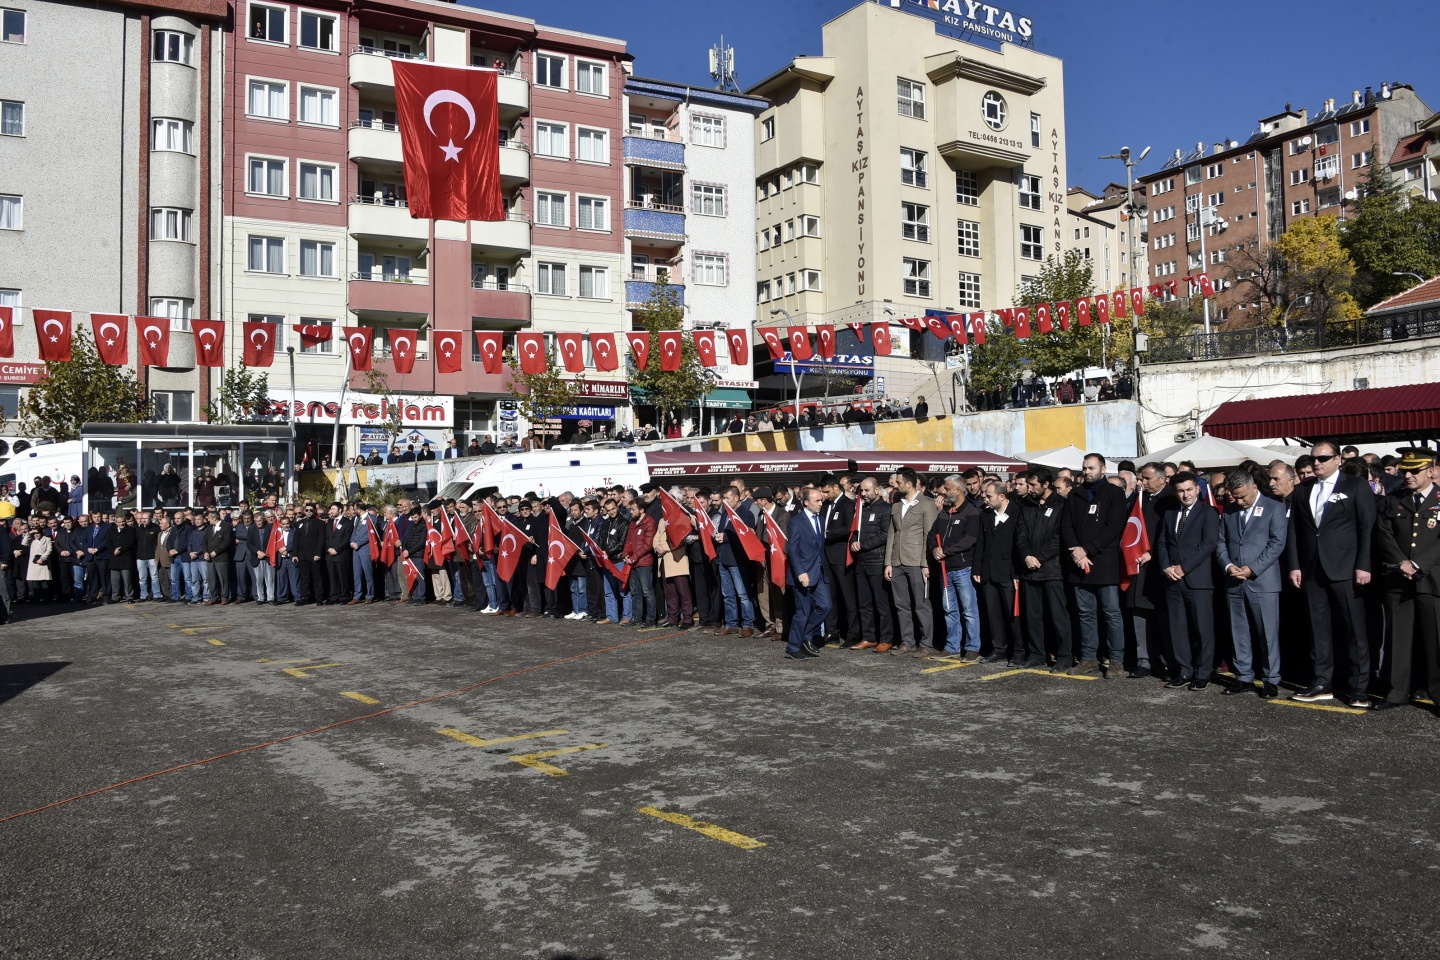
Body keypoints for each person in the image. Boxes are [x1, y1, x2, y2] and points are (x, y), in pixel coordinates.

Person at [1284, 438, 1376, 707]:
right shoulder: (1303, 490)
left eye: (1323, 458)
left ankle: (1359, 686)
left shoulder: (1355, 486)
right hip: (1312, 568)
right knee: (1318, 628)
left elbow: (1366, 527)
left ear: (1338, 460)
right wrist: (1295, 564)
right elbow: (1295, 531)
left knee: (1353, 629)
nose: (1317, 463)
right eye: (1314, 458)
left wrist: (1364, 564)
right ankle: (1322, 680)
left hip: (1346, 568)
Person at [1374, 448, 1440, 712]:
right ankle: (1397, 691)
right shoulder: (1394, 499)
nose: (1409, 476)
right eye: (1405, 471)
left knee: (1435, 640)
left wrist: (1416, 563)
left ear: (1430, 471)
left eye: (1415, 471)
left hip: (1430, 578)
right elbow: (1383, 534)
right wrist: (1401, 561)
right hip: (1399, 578)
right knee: (1398, 638)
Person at [1216, 469, 1288, 699]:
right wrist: (1227, 566)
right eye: (1235, 496)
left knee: (1267, 633)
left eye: (1242, 496)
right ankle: (1243, 676)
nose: (1239, 501)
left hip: (1262, 580)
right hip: (1234, 579)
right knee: (1238, 632)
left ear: (1254, 487)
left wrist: (1253, 568)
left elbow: (1277, 544)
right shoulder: (1228, 511)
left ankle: (1270, 679)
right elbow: (1221, 543)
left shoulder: (1275, 508)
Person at [1062, 453, 1128, 677]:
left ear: (1103, 468)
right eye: (1084, 468)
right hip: (1079, 563)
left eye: (1091, 468)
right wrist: (1076, 551)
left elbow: (1114, 526)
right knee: (1085, 612)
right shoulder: (1075, 495)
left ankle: (1116, 660)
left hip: (1104, 561)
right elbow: (1066, 526)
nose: (1087, 471)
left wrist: (1088, 549)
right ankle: (1089, 657)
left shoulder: (1114, 493)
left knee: (1111, 612)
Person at [1156, 472, 1219, 690]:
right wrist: (1165, 566)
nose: (1186, 494)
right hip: (1172, 580)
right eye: (1181, 490)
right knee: (1178, 628)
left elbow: (1209, 543)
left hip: (1197, 580)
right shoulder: (1170, 513)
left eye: (1189, 489)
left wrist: (1184, 567)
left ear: (1197, 489)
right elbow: (1162, 543)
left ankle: (1203, 673)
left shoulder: (1208, 512)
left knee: (1203, 630)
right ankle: (1184, 671)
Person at [886, 467, 939, 656]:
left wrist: (926, 563)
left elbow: (929, 534)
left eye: (898, 482)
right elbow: (892, 534)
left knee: (922, 604)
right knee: (901, 605)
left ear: (909, 484)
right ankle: (908, 641)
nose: (895, 485)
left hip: (917, 561)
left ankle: (927, 643)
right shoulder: (896, 505)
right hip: (897, 561)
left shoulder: (927, 504)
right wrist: (888, 562)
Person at [931, 474, 982, 660]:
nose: (943, 492)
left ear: (958, 490)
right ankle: (952, 646)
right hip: (945, 569)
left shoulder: (971, 511)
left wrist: (947, 550)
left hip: (963, 568)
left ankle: (972, 647)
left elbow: (970, 538)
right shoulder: (945, 512)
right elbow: (932, 533)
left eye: (946, 488)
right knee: (949, 609)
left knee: (969, 611)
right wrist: (934, 548)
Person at [975, 480, 1022, 664]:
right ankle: (999, 649)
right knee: (993, 614)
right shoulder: (986, 514)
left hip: (1008, 571)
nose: (985, 498)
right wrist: (977, 568)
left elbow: (1019, 544)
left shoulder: (1017, 512)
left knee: (1013, 615)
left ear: (1002, 496)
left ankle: (1018, 650)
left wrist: (1016, 573)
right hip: (988, 571)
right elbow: (981, 542)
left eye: (989, 496)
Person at [785, 486, 832, 660]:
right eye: (817, 501)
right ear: (806, 503)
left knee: (826, 606)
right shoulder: (796, 522)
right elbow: (793, 549)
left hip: (818, 572)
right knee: (802, 612)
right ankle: (793, 647)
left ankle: (805, 635)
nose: (821, 503)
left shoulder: (819, 519)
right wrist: (800, 572)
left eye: (821, 500)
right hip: (803, 574)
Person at [622, 498, 658, 627]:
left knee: (647, 592)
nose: (631, 512)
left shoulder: (649, 523)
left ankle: (650, 619)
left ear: (642, 510)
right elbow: (628, 541)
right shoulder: (632, 523)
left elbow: (648, 545)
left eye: (633, 509)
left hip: (644, 563)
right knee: (635, 592)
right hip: (632, 562)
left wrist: (634, 557)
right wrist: (625, 554)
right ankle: (636, 617)